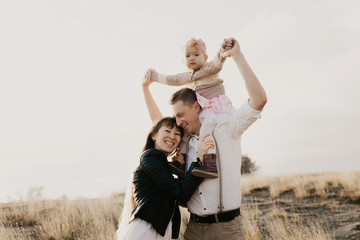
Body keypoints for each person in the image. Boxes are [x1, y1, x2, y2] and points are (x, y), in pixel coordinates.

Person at [142, 38, 267, 239]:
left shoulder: (228, 129)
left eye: (181, 115)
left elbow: (259, 100)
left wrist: (237, 56)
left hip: (226, 228)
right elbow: (158, 125)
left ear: (197, 107)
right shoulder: (183, 138)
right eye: (175, 117)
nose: (177, 122)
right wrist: (146, 88)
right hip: (193, 228)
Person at [148, 38, 235, 179]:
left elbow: (218, 63)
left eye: (196, 55)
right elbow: (173, 79)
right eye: (188, 56)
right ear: (183, 61)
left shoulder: (209, 69)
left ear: (205, 57)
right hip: (202, 109)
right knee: (184, 134)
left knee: (206, 132)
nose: (192, 58)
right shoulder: (189, 76)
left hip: (214, 107)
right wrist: (154, 76)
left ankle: (210, 163)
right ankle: (180, 162)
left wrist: (223, 50)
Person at [116, 117, 215, 240]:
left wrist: (174, 167)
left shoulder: (159, 162)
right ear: (153, 135)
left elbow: (177, 195)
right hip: (146, 231)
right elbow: (181, 193)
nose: (172, 136)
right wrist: (198, 160)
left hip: (157, 231)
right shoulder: (150, 157)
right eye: (167, 131)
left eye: (177, 134)